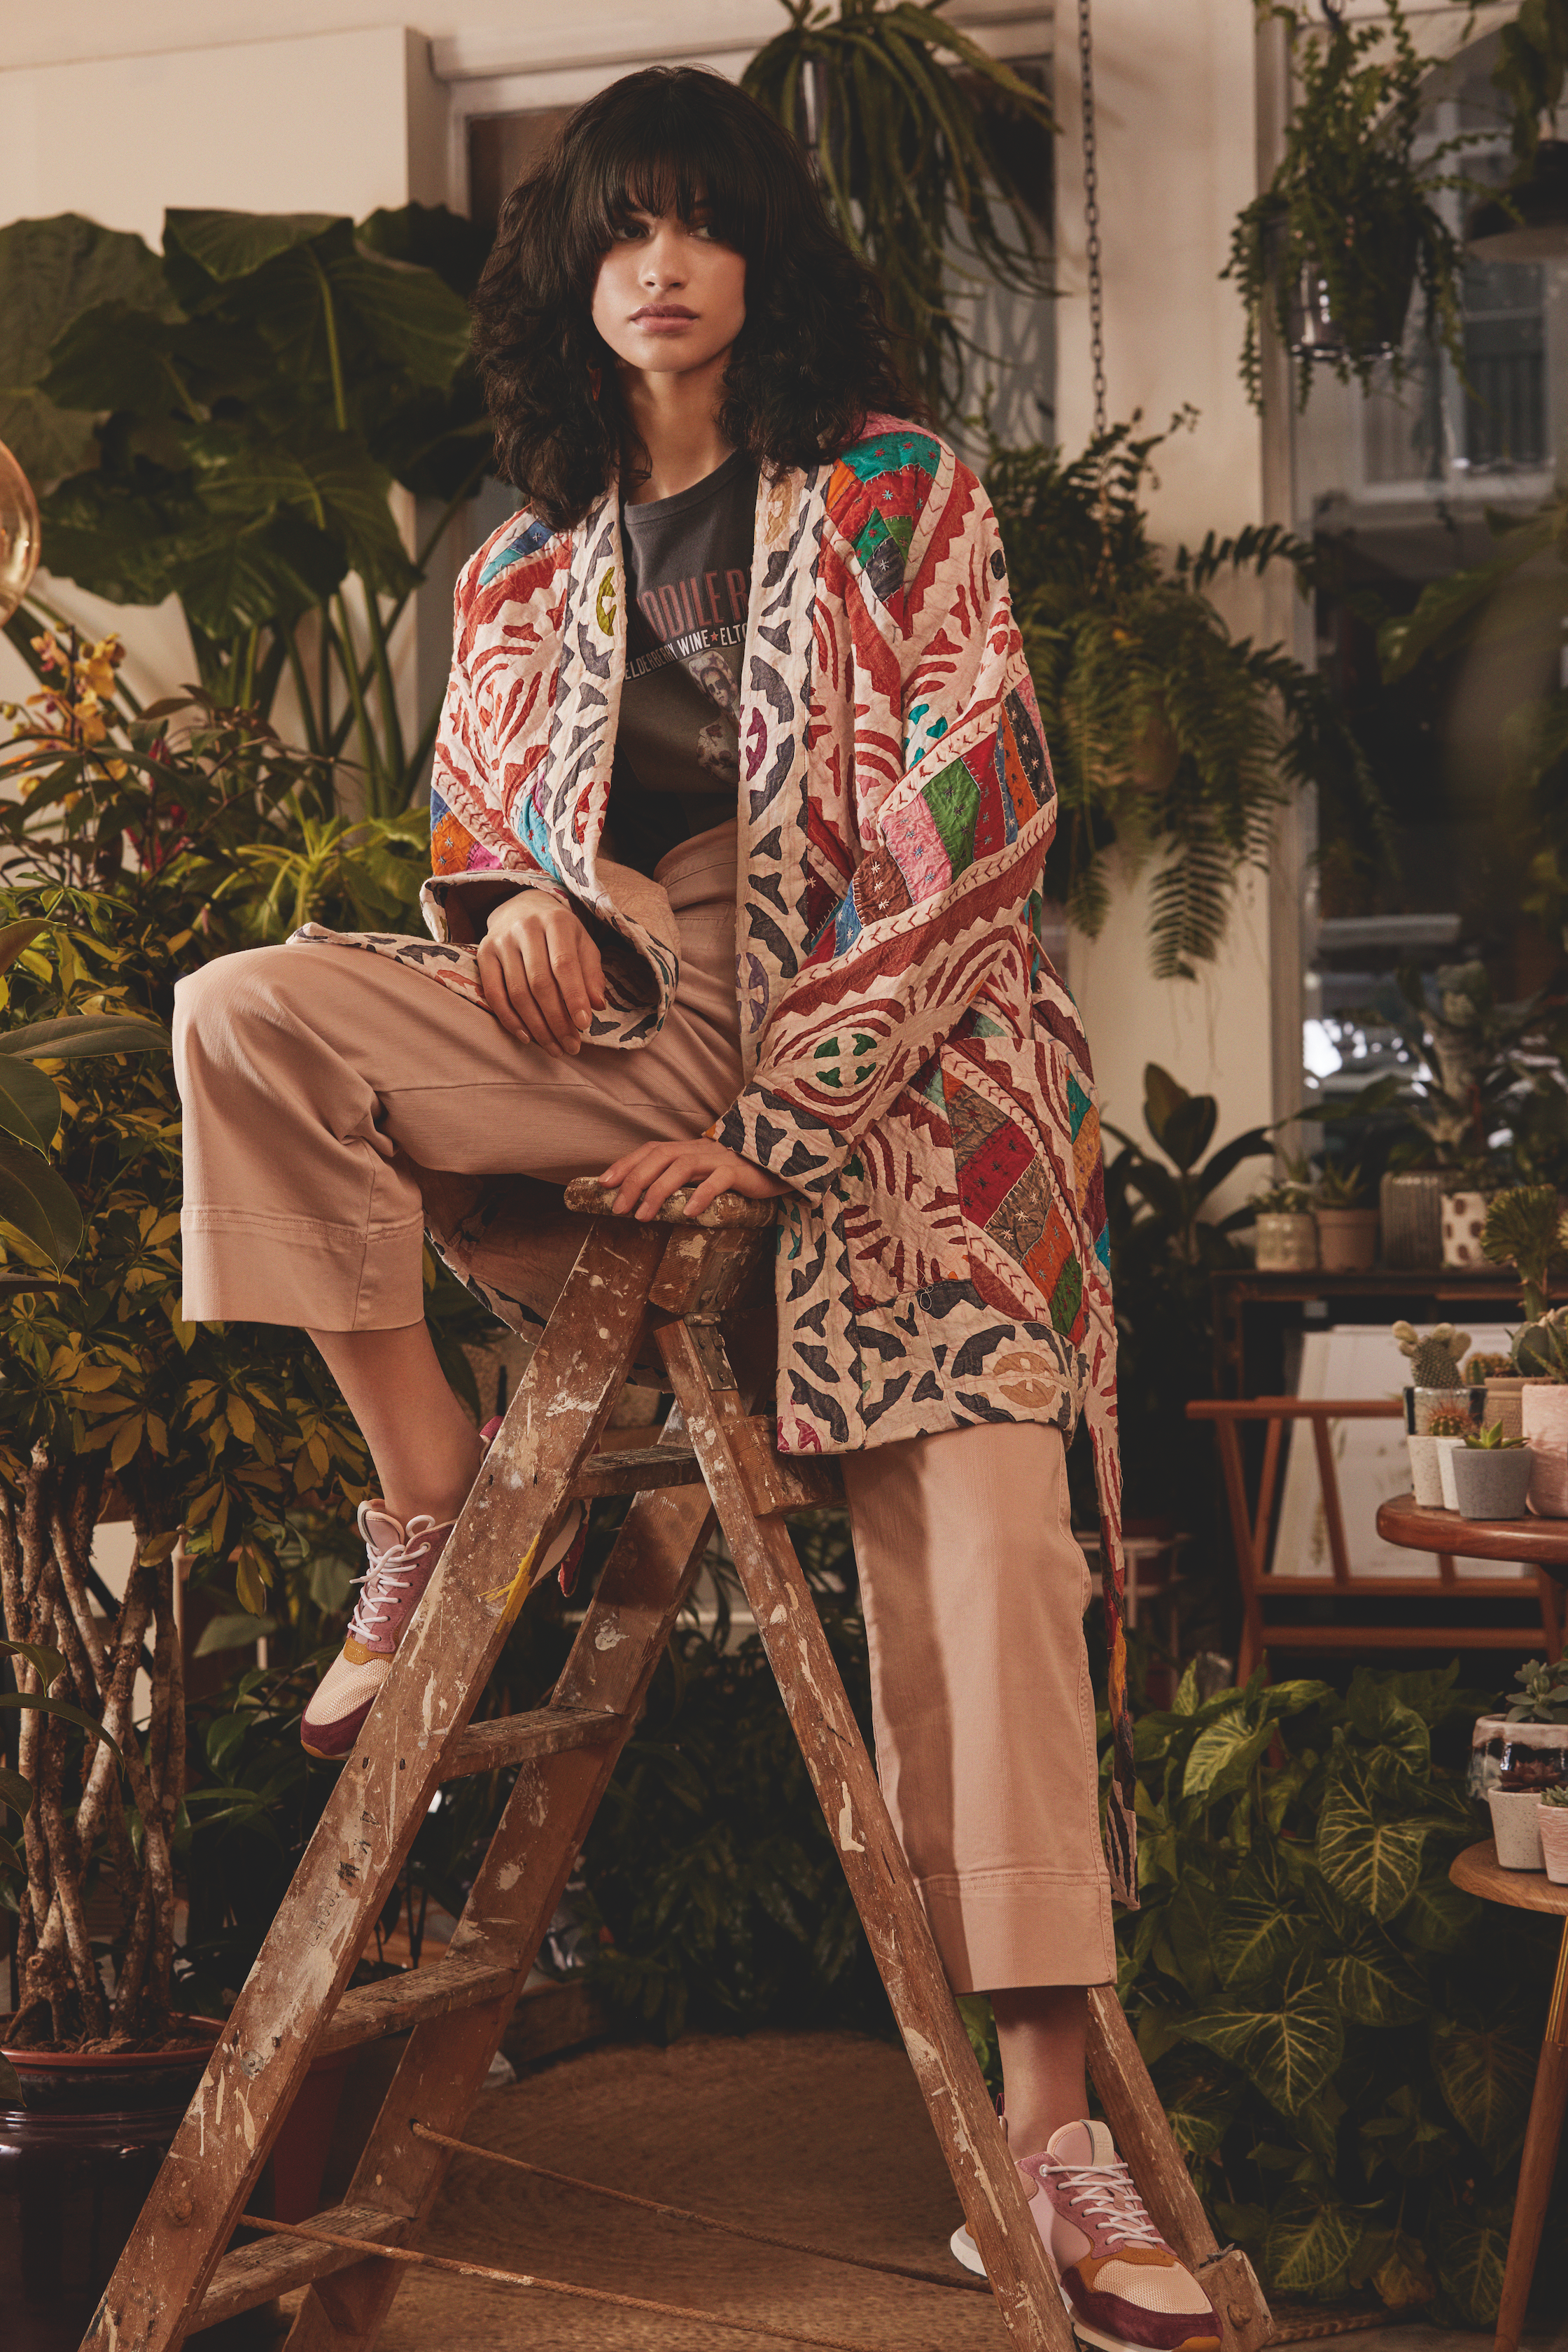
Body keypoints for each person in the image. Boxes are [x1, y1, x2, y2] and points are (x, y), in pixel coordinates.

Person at [173, 65, 1217, 2349]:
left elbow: (984, 818)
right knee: (248, 1016)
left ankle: (1047, 2143)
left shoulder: (892, 490)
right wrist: (521, 909)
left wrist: (790, 1122)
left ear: (762, 256)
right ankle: (429, 1491)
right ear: (575, 270)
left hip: (909, 1094)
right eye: (621, 225)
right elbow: (479, 833)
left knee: (993, 1582)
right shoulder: (522, 559)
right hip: (626, 1016)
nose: (662, 260)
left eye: (703, 221)